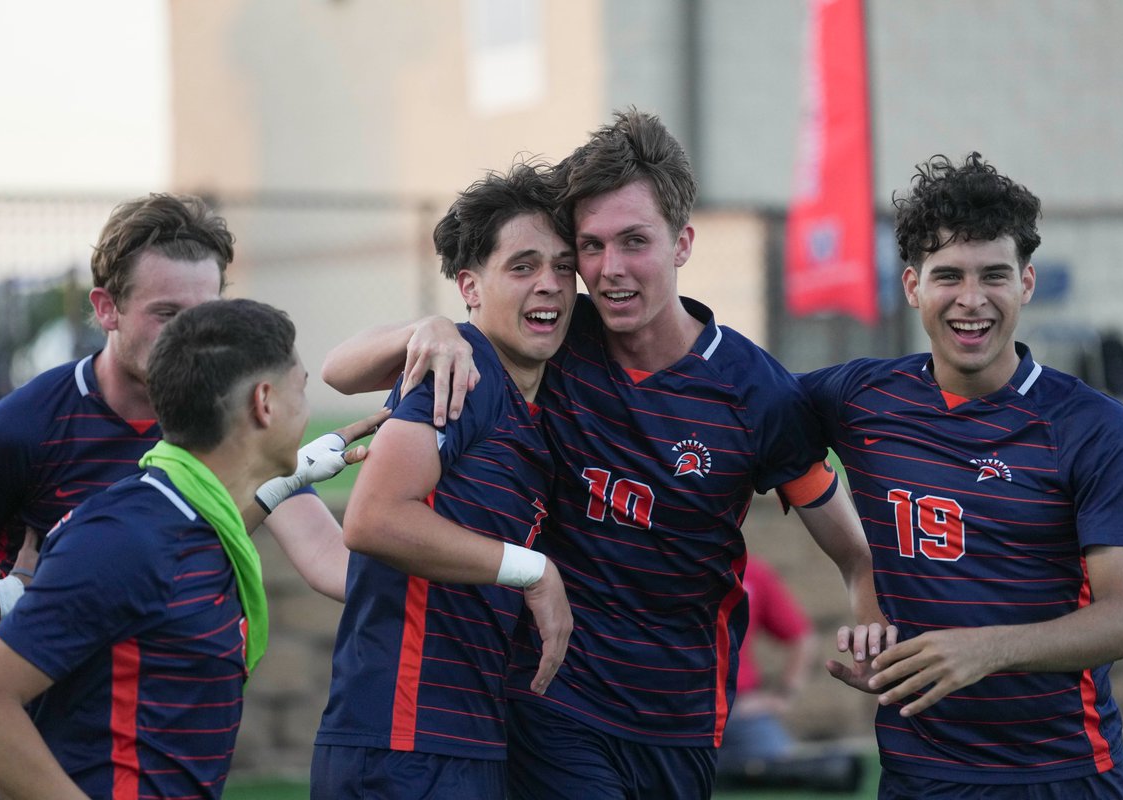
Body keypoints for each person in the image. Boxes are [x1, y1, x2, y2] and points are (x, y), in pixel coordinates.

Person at [322, 108, 886, 799]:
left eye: (633, 242)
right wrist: (432, 326)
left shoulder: (755, 393)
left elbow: (853, 552)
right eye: (590, 247)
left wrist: (871, 626)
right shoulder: (555, 340)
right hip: (552, 701)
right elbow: (342, 372)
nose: (607, 270)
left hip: (682, 720)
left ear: (682, 243)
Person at [804, 153, 1123, 799]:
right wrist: (858, 571)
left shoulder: (1092, 425)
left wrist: (983, 649)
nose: (972, 300)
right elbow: (745, 427)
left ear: (1025, 282)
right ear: (912, 286)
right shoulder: (858, 398)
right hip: (918, 775)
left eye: (994, 275)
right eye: (948, 276)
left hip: (1064, 773)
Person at [0, 298, 336, 799]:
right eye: (303, 389)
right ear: (265, 402)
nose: (308, 409)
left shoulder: (198, 524)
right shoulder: (128, 538)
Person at [0, 193, 365, 639]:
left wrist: (438, 328)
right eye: (166, 314)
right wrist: (11, 598)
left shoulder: (234, 417)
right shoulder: (18, 430)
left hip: (178, 700)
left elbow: (332, 562)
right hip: (40, 704)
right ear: (106, 309)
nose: (189, 334)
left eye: (204, 315)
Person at [311, 162, 575, 799]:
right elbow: (373, 519)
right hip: (405, 745)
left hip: (453, 741)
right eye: (523, 266)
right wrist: (531, 569)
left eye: (564, 266)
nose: (550, 285)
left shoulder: (530, 397)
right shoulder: (461, 370)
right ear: (470, 286)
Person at [714, 554, 863, 793]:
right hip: (673, 708)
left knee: (784, 772)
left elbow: (802, 638)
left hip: (739, 711)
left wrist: (784, 695)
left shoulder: (751, 573)